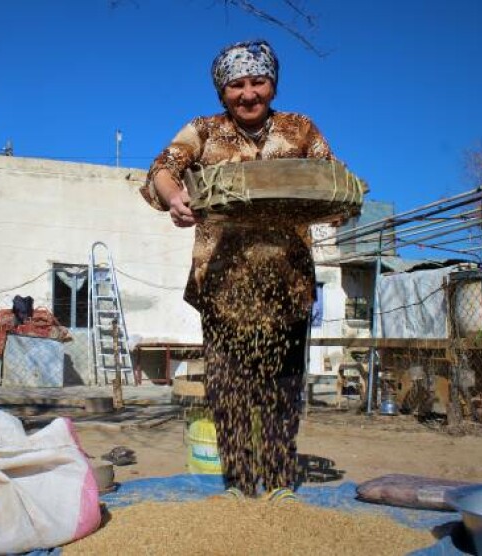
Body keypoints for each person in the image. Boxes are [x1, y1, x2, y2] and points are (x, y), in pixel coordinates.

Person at [140, 40, 334, 500]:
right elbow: (162, 171)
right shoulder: (204, 131)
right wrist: (175, 198)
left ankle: (280, 481)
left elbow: (330, 179)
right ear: (222, 91)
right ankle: (240, 484)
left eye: (258, 82)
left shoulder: (300, 128)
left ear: (273, 83)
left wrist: (338, 204)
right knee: (229, 388)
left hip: (287, 283)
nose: (248, 94)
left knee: (283, 390)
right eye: (236, 85)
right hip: (223, 285)